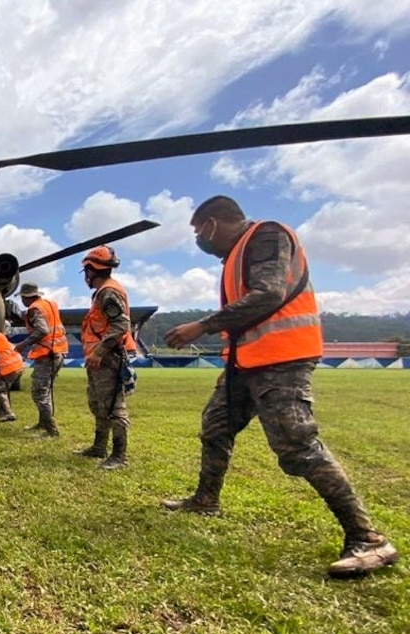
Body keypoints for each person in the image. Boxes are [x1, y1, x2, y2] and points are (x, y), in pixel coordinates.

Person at [163, 195, 398, 578]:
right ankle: (206, 499)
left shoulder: (266, 235)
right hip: (246, 362)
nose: (199, 241)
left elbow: (269, 293)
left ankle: (368, 539)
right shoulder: (237, 255)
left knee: (297, 446)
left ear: (212, 224)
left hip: (282, 359)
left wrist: (204, 325)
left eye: (198, 232)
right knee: (215, 427)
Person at [76, 245, 135, 471]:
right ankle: (99, 447)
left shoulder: (109, 292)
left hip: (107, 357)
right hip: (100, 357)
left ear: (92, 270)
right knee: (99, 403)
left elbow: (121, 324)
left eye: (87, 272)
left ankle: (119, 455)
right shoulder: (103, 292)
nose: (86, 277)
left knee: (113, 406)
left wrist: (99, 352)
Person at [14, 282, 68, 436]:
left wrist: (23, 344)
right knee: (45, 390)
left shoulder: (34, 309)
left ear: (25, 297)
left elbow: (43, 329)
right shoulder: (50, 304)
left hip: (47, 354)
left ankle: (51, 429)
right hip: (58, 351)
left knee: (39, 392)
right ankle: (42, 423)